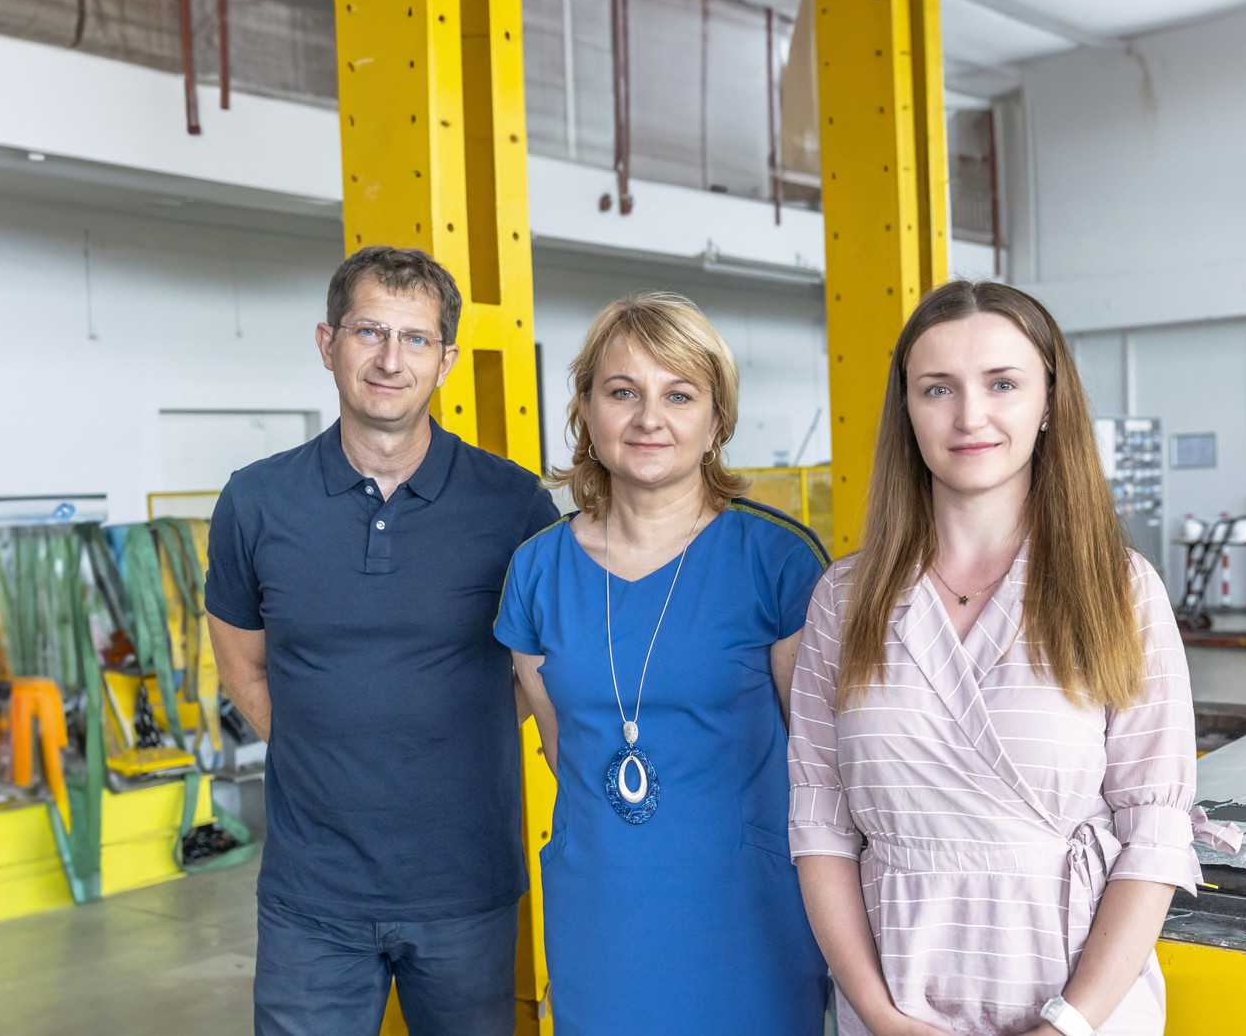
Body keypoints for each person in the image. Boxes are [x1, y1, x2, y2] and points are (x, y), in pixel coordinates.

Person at [787, 280, 1240, 1036]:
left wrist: (1068, 1024)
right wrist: (877, 1013)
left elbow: (1155, 836)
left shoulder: (1118, 589)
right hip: (897, 1004)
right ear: (907, 409)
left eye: (1002, 383)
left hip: (1079, 1007)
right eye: (938, 388)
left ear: (1049, 403)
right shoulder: (845, 599)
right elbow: (819, 828)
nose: (970, 416)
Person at [205, 246, 560, 1036]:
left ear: (446, 360)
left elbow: (541, 673)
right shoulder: (255, 502)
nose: (391, 360)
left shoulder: (514, 506)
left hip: (465, 887)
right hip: (310, 898)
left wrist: (447, 738)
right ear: (327, 343)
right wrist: (327, 752)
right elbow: (242, 665)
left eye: (415, 338)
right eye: (369, 331)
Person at [495, 294, 830, 1036]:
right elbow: (561, 749)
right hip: (602, 915)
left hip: (749, 913)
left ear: (716, 422)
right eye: (623, 392)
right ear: (586, 411)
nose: (650, 418)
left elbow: (822, 765)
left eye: (679, 395)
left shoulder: (777, 562)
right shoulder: (537, 571)